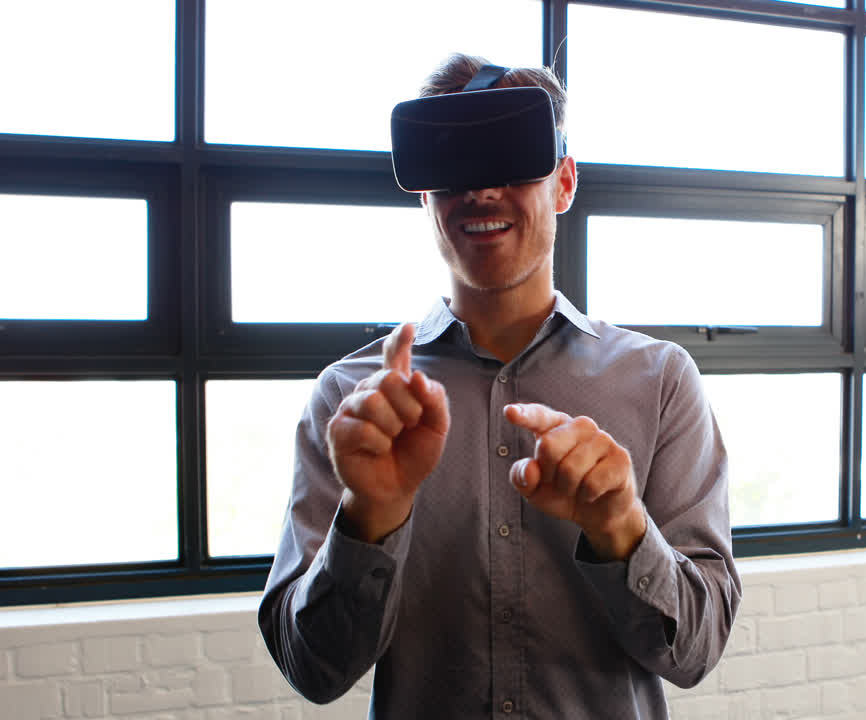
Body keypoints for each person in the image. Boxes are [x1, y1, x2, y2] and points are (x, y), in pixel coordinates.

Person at [258, 53, 741, 718]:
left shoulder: (658, 381)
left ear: (565, 182)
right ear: (424, 193)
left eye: (510, 160)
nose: (481, 192)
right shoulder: (354, 404)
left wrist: (623, 530)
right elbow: (313, 670)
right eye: (455, 166)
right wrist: (369, 521)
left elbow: (697, 649)